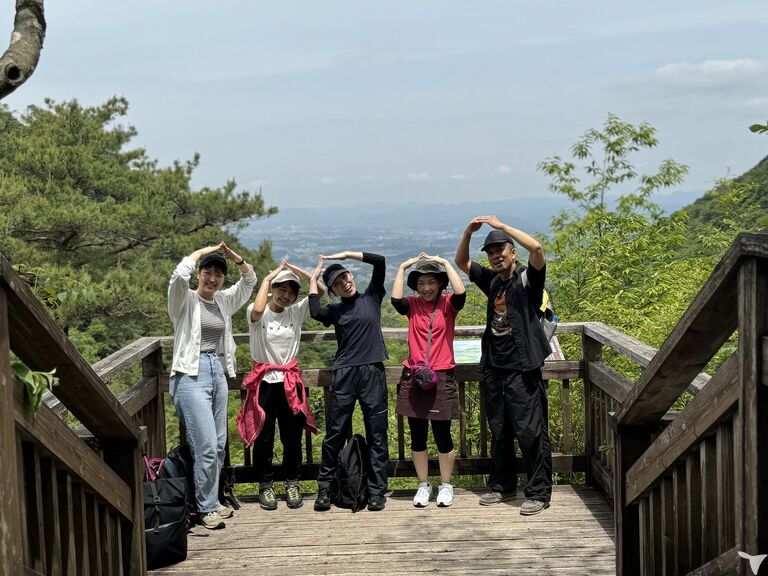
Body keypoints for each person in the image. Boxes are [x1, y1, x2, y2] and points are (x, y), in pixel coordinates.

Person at [455, 215, 553, 516]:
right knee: (500, 431)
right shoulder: (493, 282)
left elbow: (537, 248)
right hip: (495, 368)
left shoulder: (529, 280)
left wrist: (503, 225)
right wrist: (468, 233)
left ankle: (538, 492)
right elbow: (462, 263)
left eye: (501, 250)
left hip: (523, 369)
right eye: (491, 252)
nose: (495, 256)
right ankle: (502, 486)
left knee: (531, 431)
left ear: (512, 252)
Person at [168, 242, 256, 529]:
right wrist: (198, 252)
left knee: (218, 445)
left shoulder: (222, 301)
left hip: (217, 371)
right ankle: (205, 508)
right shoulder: (184, 300)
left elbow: (249, 281)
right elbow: (179, 277)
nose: (213, 278)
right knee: (205, 445)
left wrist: (236, 258)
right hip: (190, 376)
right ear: (199, 274)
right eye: (208, 271)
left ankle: (211, 501)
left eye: (219, 274)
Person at [238, 260, 324, 511]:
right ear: (273, 289)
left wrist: (298, 271)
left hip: (289, 381)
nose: (286, 296)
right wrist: (266, 278)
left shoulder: (295, 312)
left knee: (292, 436)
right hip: (264, 382)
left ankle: (292, 482)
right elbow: (256, 310)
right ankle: (265, 486)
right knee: (263, 437)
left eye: (291, 291)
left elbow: (320, 289)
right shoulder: (258, 312)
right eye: (281, 289)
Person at [309, 251, 389, 512]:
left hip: (372, 372)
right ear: (332, 291)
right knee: (334, 432)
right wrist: (314, 278)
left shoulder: (372, 297)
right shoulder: (334, 310)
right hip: (344, 373)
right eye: (337, 283)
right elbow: (314, 311)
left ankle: (377, 491)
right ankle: (325, 489)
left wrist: (346, 255)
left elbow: (380, 262)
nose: (344, 283)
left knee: (377, 434)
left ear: (351, 275)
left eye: (345, 276)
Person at [391, 254, 466, 508]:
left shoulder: (447, 305)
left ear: (440, 284)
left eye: (431, 282)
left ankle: (446, 486)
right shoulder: (412, 305)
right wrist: (402, 266)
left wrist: (445, 264)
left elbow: (461, 293)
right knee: (418, 435)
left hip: (442, 375)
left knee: (443, 435)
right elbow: (395, 299)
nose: (426, 287)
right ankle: (423, 485)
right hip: (414, 375)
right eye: (421, 282)